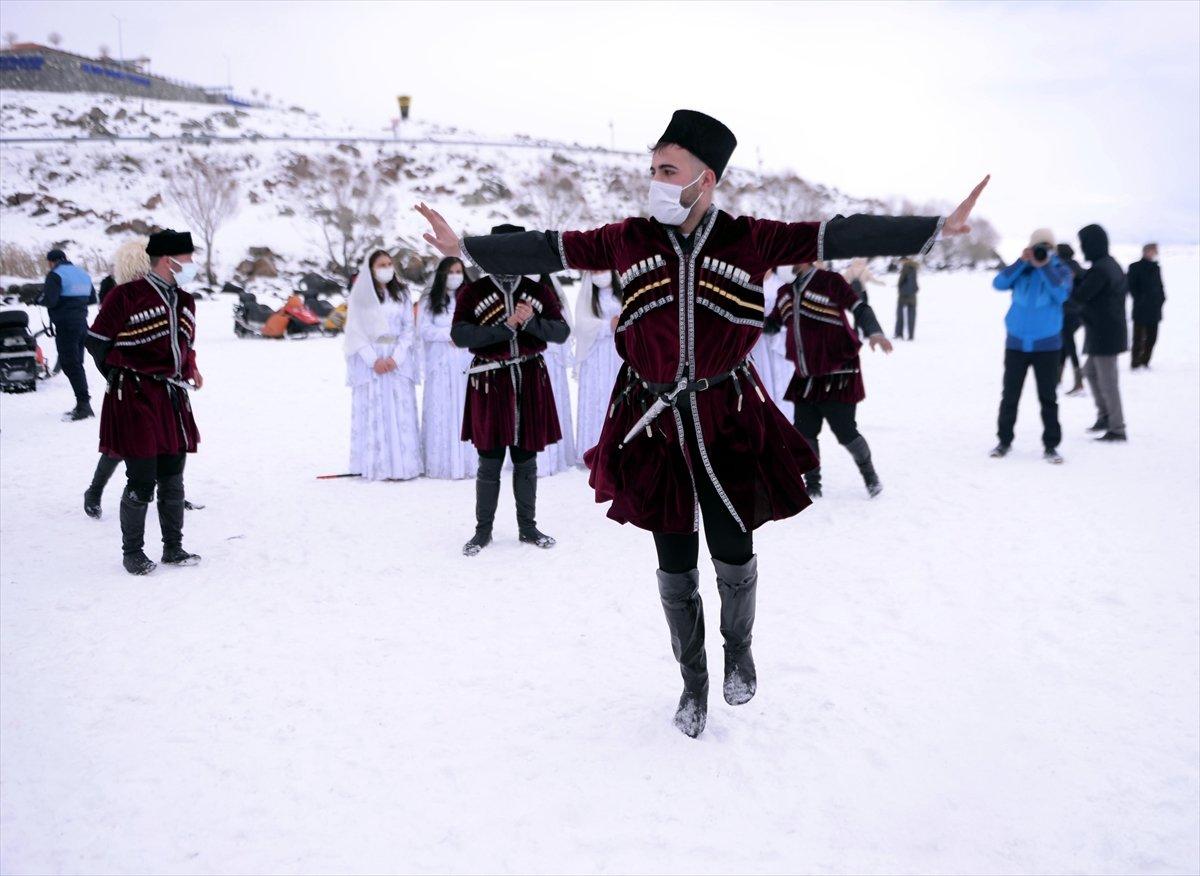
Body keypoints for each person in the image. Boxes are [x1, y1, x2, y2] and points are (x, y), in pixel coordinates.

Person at [416, 108, 988, 738]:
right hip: (651, 417)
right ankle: (692, 681)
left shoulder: (751, 238)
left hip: (727, 413)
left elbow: (838, 235)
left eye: (669, 170)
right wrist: (464, 246)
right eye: (652, 169)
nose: (655, 181)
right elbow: (549, 245)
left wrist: (933, 228)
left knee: (732, 543)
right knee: (673, 555)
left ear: (706, 180)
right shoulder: (625, 238)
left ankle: (737, 649)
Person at [85, 229, 203, 575]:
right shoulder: (125, 296)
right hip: (134, 396)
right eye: (188, 259)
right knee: (141, 476)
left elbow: (185, 344)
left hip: (172, 395)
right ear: (169, 260)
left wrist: (190, 367)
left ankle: (173, 547)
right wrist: (119, 373)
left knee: (172, 474)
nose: (192, 264)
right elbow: (96, 341)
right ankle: (132, 552)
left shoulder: (186, 300)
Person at [450, 224, 571, 556]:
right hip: (489, 384)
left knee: (526, 459)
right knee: (488, 460)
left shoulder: (538, 291)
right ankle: (482, 531)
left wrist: (531, 323)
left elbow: (561, 332)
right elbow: (460, 335)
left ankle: (528, 528)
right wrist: (504, 329)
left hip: (529, 380)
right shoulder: (472, 293)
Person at [766, 261, 893, 497]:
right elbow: (772, 324)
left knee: (845, 432)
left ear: (804, 259)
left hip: (838, 373)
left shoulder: (830, 281)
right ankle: (812, 485)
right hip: (806, 376)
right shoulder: (785, 293)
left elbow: (860, 307)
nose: (782, 264)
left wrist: (874, 331)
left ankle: (870, 476)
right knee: (805, 433)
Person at [988, 229, 1073, 463]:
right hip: (1016, 343)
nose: (1042, 250)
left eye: (1046, 246)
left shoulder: (1060, 270)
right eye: (1038, 245)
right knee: (1010, 396)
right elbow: (998, 283)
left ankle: (1051, 446)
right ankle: (1004, 441)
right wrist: (1021, 262)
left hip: (1047, 345)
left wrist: (1044, 266)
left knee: (1048, 397)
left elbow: (1061, 294)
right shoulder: (1021, 269)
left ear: (1053, 248)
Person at [344, 250, 423, 481]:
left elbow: (409, 329)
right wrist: (373, 360)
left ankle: (403, 465)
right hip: (372, 358)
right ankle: (376, 464)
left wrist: (396, 358)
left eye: (390, 264)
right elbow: (354, 332)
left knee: (399, 410)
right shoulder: (360, 296)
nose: (387, 268)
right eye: (382, 264)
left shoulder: (403, 293)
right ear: (370, 269)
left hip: (396, 357)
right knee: (375, 408)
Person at [418, 256, 477, 480]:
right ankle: (440, 462)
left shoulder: (470, 297)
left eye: (459, 271)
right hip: (441, 362)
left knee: (465, 406)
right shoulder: (429, 300)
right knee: (442, 406)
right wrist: (447, 335)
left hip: (465, 359)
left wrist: (464, 335)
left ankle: (468, 461)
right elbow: (423, 329)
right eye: (451, 271)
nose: (455, 275)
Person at [1072, 224, 1128, 442]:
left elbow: (1081, 296)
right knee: (1091, 373)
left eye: (1083, 243)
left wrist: (1072, 280)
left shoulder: (1101, 269)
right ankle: (1105, 416)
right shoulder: (1109, 264)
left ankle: (1117, 427)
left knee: (1108, 381)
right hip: (1104, 330)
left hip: (1105, 333)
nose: (1082, 248)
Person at [40, 248, 96, 421]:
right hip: (82, 325)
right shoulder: (82, 274)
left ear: (52, 261)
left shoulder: (55, 275)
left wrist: (38, 299)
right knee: (77, 364)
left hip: (66, 326)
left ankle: (84, 405)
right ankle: (82, 404)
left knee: (70, 364)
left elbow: (50, 300)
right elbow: (93, 299)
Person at [574, 269, 625, 457]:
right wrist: (607, 326)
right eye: (594, 271)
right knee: (596, 396)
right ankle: (592, 447)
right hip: (595, 354)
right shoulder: (588, 296)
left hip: (618, 353)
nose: (599, 274)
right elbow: (581, 324)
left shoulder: (623, 293)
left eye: (602, 269)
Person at [535, 272, 579, 475]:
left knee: (554, 401)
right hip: (530, 356)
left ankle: (556, 453)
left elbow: (564, 326)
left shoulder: (549, 293)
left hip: (552, 356)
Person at [1127, 243, 1165, 369]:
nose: (1155, 253)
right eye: (1153, 250)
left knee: (1152, 337)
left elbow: (1160, 285)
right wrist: (1140, 298)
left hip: (1154, 308)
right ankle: (1135, 362)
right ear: (1146, 251)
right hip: (1141, 308)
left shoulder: (1156, 267)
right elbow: (1131, 286)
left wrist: (1162, 298)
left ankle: (1145, 361)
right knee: (1138, 337)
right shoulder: (1134, 267)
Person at [1056, 242, 1086, 395]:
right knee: (1065, 343)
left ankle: (1078, 380)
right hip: (1079, 313)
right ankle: (1058, 377)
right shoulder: (1078, 267)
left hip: (1067, 312)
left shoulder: (1061, 268)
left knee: (1069, 344)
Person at [894, 257, 919, 340]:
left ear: (905, 260)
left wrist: (899, 286)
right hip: (912, 294)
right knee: (912, 315)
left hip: (903, 295)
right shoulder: (914, 267)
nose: (901, 262)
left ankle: (899, 334)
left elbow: (901, 281)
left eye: (901, 261)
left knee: (900, 314)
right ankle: (911, 335)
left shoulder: (906, 267)